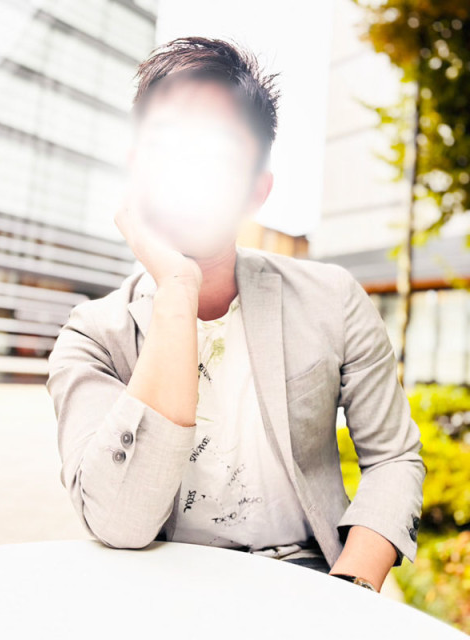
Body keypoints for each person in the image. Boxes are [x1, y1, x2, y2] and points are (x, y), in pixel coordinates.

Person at [46, 36, 426, 594]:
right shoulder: (93, 336)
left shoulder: (332, 297)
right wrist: (178, 288)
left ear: (256, 191)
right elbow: (120, 522)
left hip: (312, 580)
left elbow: (393, 458)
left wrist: (348, 593)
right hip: (156, 588)